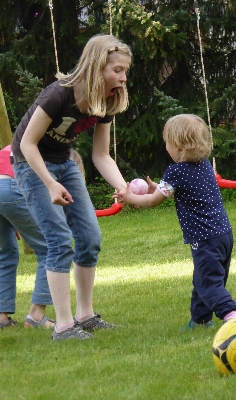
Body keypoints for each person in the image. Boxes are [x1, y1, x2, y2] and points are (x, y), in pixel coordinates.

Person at [11, 34, 132, 340]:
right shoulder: (58, 95)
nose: (123, 77)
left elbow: (101, 155)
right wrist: (50, 184)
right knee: (60, 239)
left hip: (64, 163)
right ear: (96, 65)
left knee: (90, 238)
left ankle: (86, 316)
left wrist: (123, 186)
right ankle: (64, 326)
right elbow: (26, 144)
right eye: (117, 70)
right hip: (30, 163)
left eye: (125, 71)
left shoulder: (106, 101)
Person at [114, 114, 236, 330]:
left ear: (180, 146)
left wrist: (129, 198)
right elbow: (187, 192)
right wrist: (160, 189)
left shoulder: (176, 171)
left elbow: (153, 202)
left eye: (167, 143)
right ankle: (200, 320)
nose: (166, 147)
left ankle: (233, 317)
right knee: (202, 278)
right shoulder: (204, 165)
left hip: (205, 238)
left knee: (208, 283)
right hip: (223, 234)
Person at [0, 144, 54, 329]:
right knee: (51, 248)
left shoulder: (17, 144)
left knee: (5, 253)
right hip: (12, 187)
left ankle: (1, 317)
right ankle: (36, 316)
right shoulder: (52, 148)